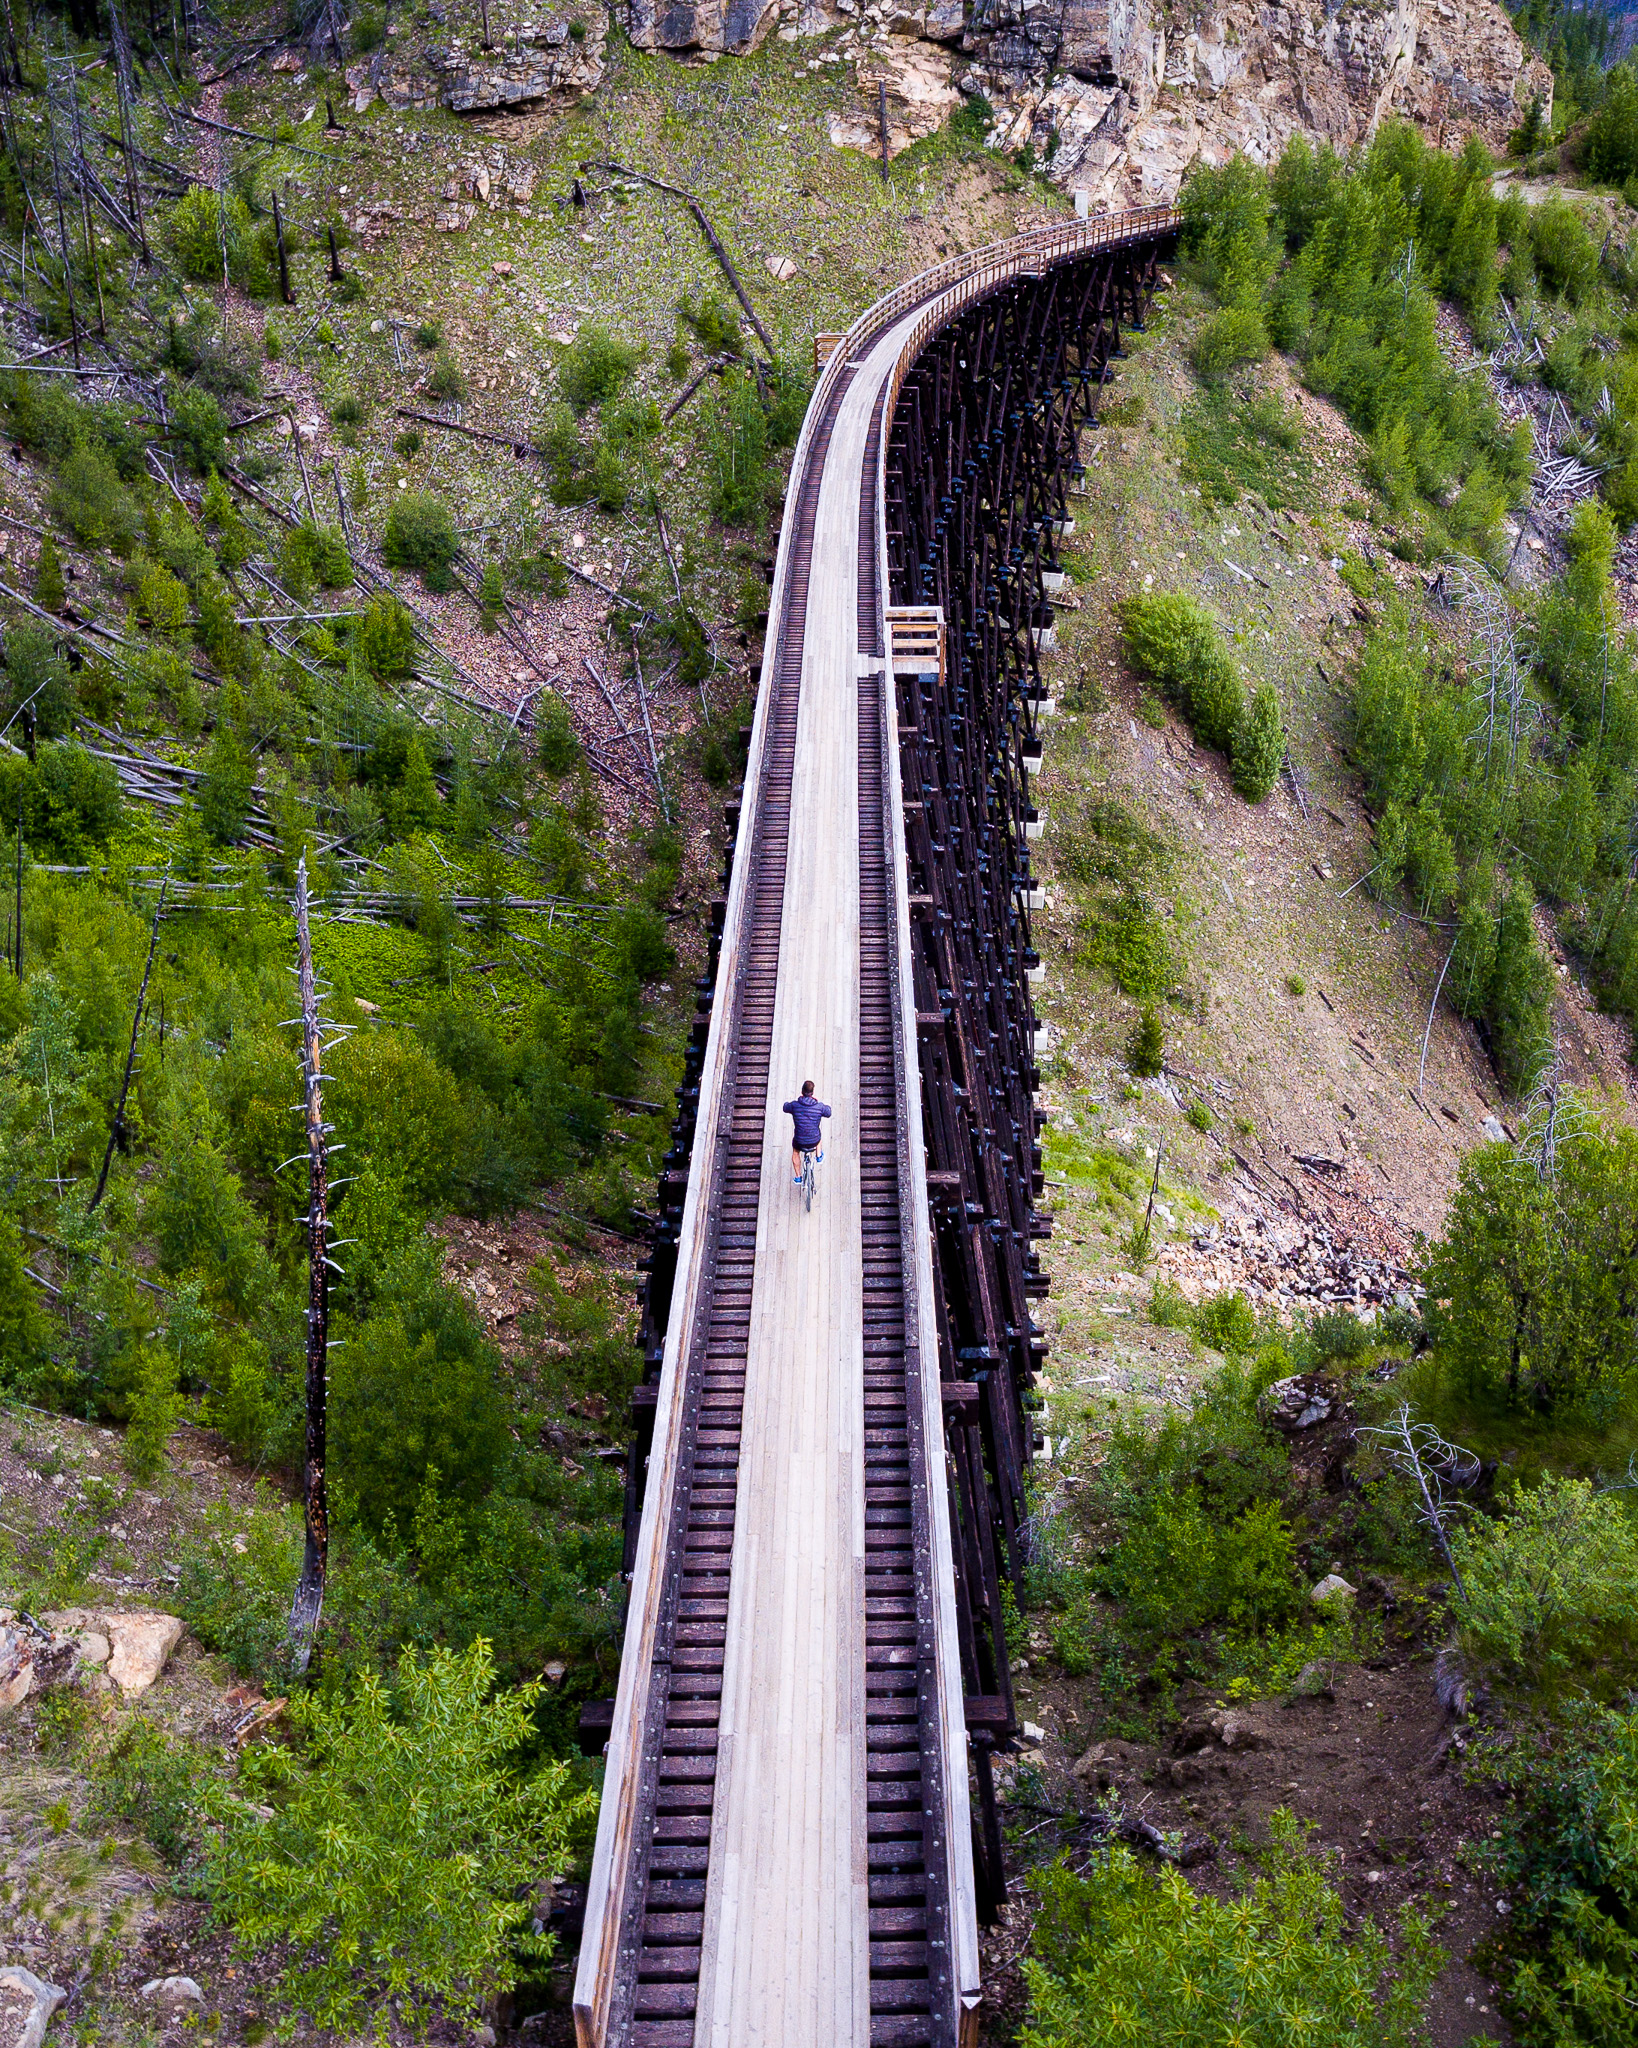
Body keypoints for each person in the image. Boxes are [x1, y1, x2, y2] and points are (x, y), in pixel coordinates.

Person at [783, 1079, 831, 1184]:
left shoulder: (794, 1105)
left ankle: (798, 1177)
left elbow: (785, 1107)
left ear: (802, 1091)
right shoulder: (819, 1107)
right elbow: (829, 1112)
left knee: (795, 1152)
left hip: (799, 1141)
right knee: (818, 1137)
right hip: (814, 1140)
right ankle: (819, 1156)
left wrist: (788, 1103)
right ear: (812, 1093)